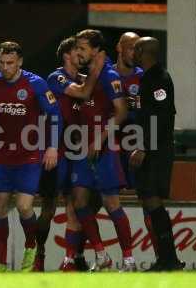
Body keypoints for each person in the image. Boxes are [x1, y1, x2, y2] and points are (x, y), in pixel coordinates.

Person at [0, 41, 61, 273]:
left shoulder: (35, 84)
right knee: (0, 207)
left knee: (24, 207)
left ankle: (31, 247)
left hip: (30, 155)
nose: (5, 67)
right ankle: (1, 264)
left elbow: (54, 114)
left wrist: (52, 148)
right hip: (3, 157)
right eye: (1, 63)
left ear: (20, 62)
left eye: (10, 63)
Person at [33, 36, 105, 272]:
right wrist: (98, 67)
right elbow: (83, 94)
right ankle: (39, 255)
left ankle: (72, 259)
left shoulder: (85, 80)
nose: (80, 55)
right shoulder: (57, 77)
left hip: (77, 150)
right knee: (49, 208)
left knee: (77, 204)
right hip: (56, 151)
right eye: (77, 51)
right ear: (67, 55)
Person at [71, 29, 136, 271]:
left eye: (82, 48)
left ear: (96, 51)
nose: (78, 52)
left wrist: (99, 139)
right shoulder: (84, 76)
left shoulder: (109, 75)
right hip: (81, 149)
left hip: (103, 148)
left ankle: (128, 260)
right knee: (79, 201)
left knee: (111, 204)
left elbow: (121, 112)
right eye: (77, 47)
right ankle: (101, 256)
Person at [130, 37, 184, 271]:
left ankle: (169, 259)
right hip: (152, 147)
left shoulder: (159, 78)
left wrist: (144, 146)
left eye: (135, 49)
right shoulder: (148, 78)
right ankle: (167, 259)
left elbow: (162, 118)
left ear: (142, 51)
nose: (132, 53)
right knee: (149, 199)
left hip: (157, 150)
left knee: (153, 199)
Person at [114, 32, 160, 261]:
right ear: (119, 48)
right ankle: (81, 257)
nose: (134, 52)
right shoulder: (105, 75)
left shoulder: (145, 77)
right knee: (95, 199)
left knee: (148, 201)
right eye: (130, 47)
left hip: (136, 148)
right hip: (110, 147)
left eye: (137, 48)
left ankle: (163, 258)